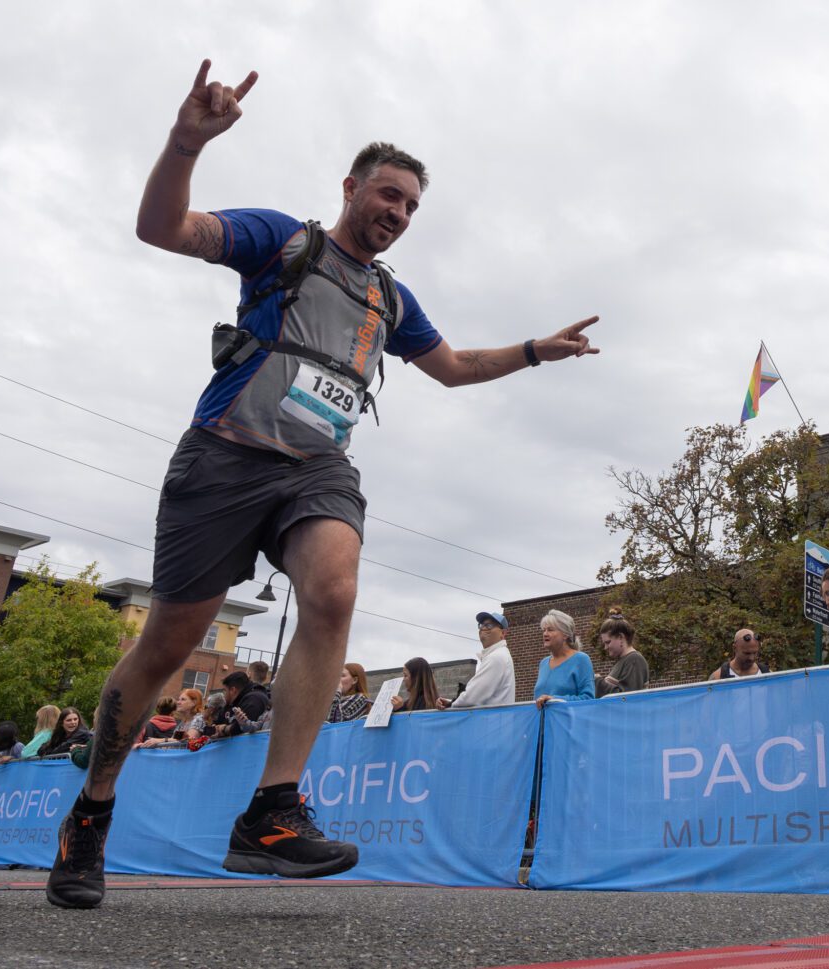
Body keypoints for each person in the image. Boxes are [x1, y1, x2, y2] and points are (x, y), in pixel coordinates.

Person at [45, 59, 599, 911]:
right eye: (389, 194)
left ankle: (271, 809)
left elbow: (450, 367)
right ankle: (91, 811)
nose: (399, 213)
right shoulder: (284, 240)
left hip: (318, 470)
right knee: (164, 646)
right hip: (225, 458)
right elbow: (163, 228)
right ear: (352, 186)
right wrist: (186, 141)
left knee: (334, 590)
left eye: (412, 205)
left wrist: (534, 349)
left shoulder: (390, 297)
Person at [438, 611, 515, 709]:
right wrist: (450, 702)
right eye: (481, 625)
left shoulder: (496, 657)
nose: (483, 628)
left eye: (489, 625)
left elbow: (472, 697)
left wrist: (450, 704)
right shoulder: (497, 655)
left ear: (503, 633)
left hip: (493, 722)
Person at [533, 610, 595, 708]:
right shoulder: (543, 663)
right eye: (544, 630)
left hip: (568, 722)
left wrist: (555, 700)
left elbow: (588, 698)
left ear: (565, 634)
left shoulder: (581, 660)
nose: (545, 633)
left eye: (550, 630)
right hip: (541, 722)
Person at [595, 615, 649, 696]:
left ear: (621, 637)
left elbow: (627, 698)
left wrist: (598, 681)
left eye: (608, 642)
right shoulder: (626, 660)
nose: (605, 648)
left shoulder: (635, 660)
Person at [214, 670, 271, 739]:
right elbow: (219, 721)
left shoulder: (254, 700)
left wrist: (224, 729)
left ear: (233, 690)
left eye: (225, 690)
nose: (224, 695)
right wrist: (215, 729)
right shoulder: (233, 701)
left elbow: (241, 729)